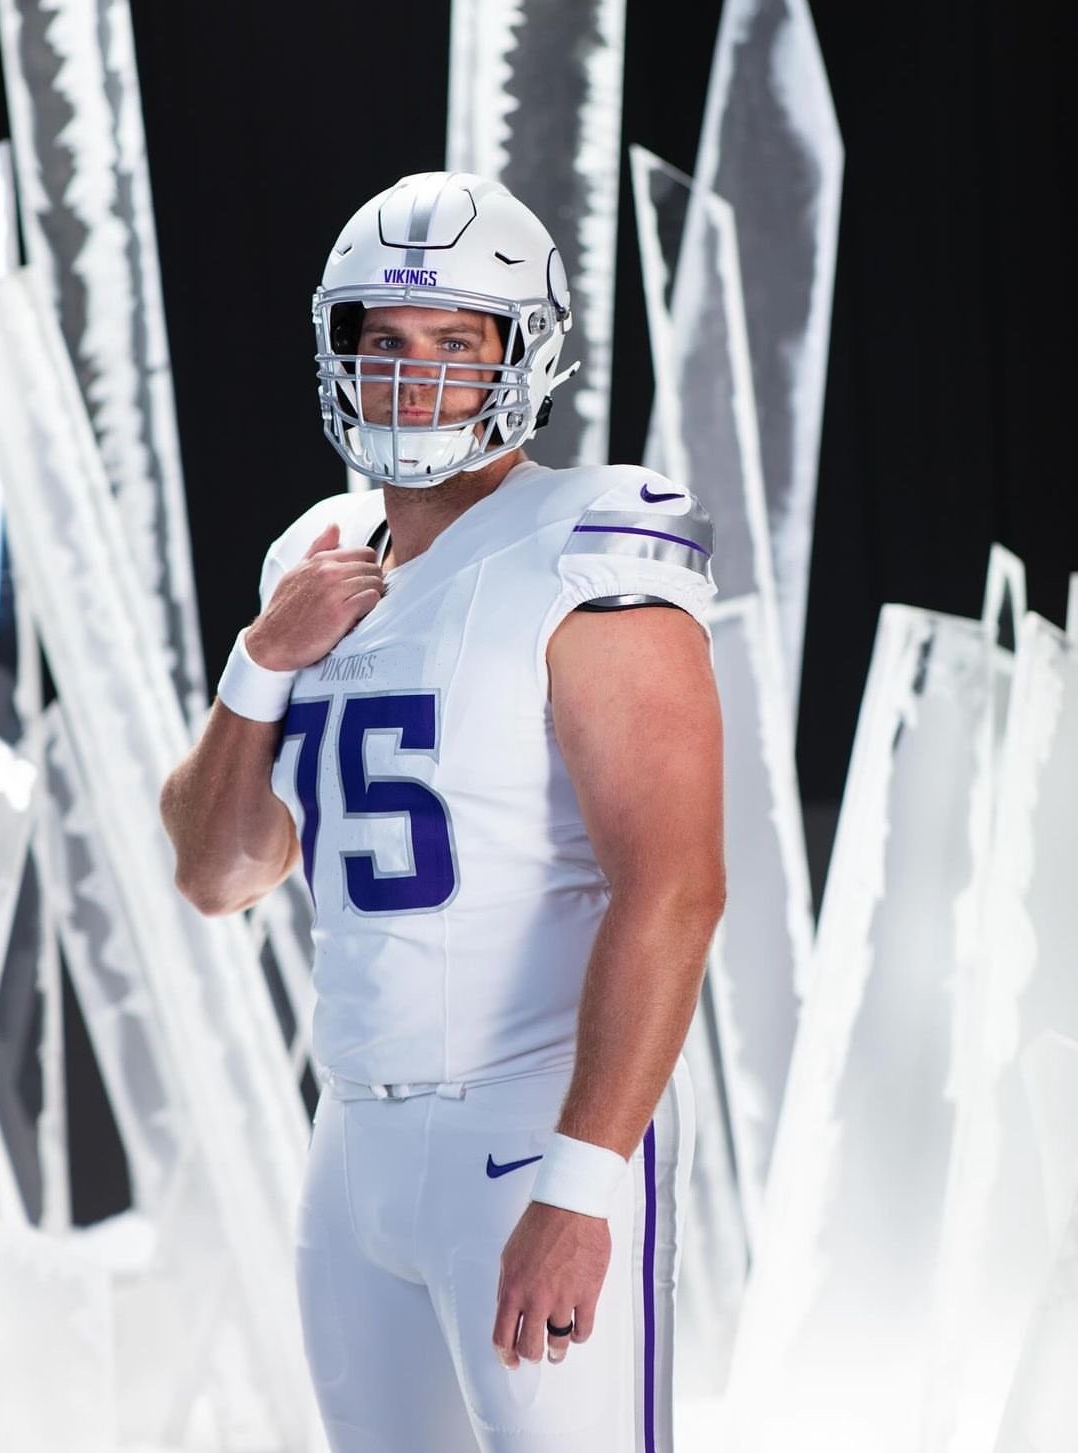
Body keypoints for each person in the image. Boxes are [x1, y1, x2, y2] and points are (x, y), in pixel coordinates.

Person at [160, 170, 725, 1453]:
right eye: (385, 340)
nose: (411, 377)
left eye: (454, 344)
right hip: (352, 1129)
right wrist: (261, 656)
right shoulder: (314, 557)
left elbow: (676, 887)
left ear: (521, 355)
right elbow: (216, 871)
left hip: (532, 1121)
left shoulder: (590, 542)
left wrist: (582, 1180)